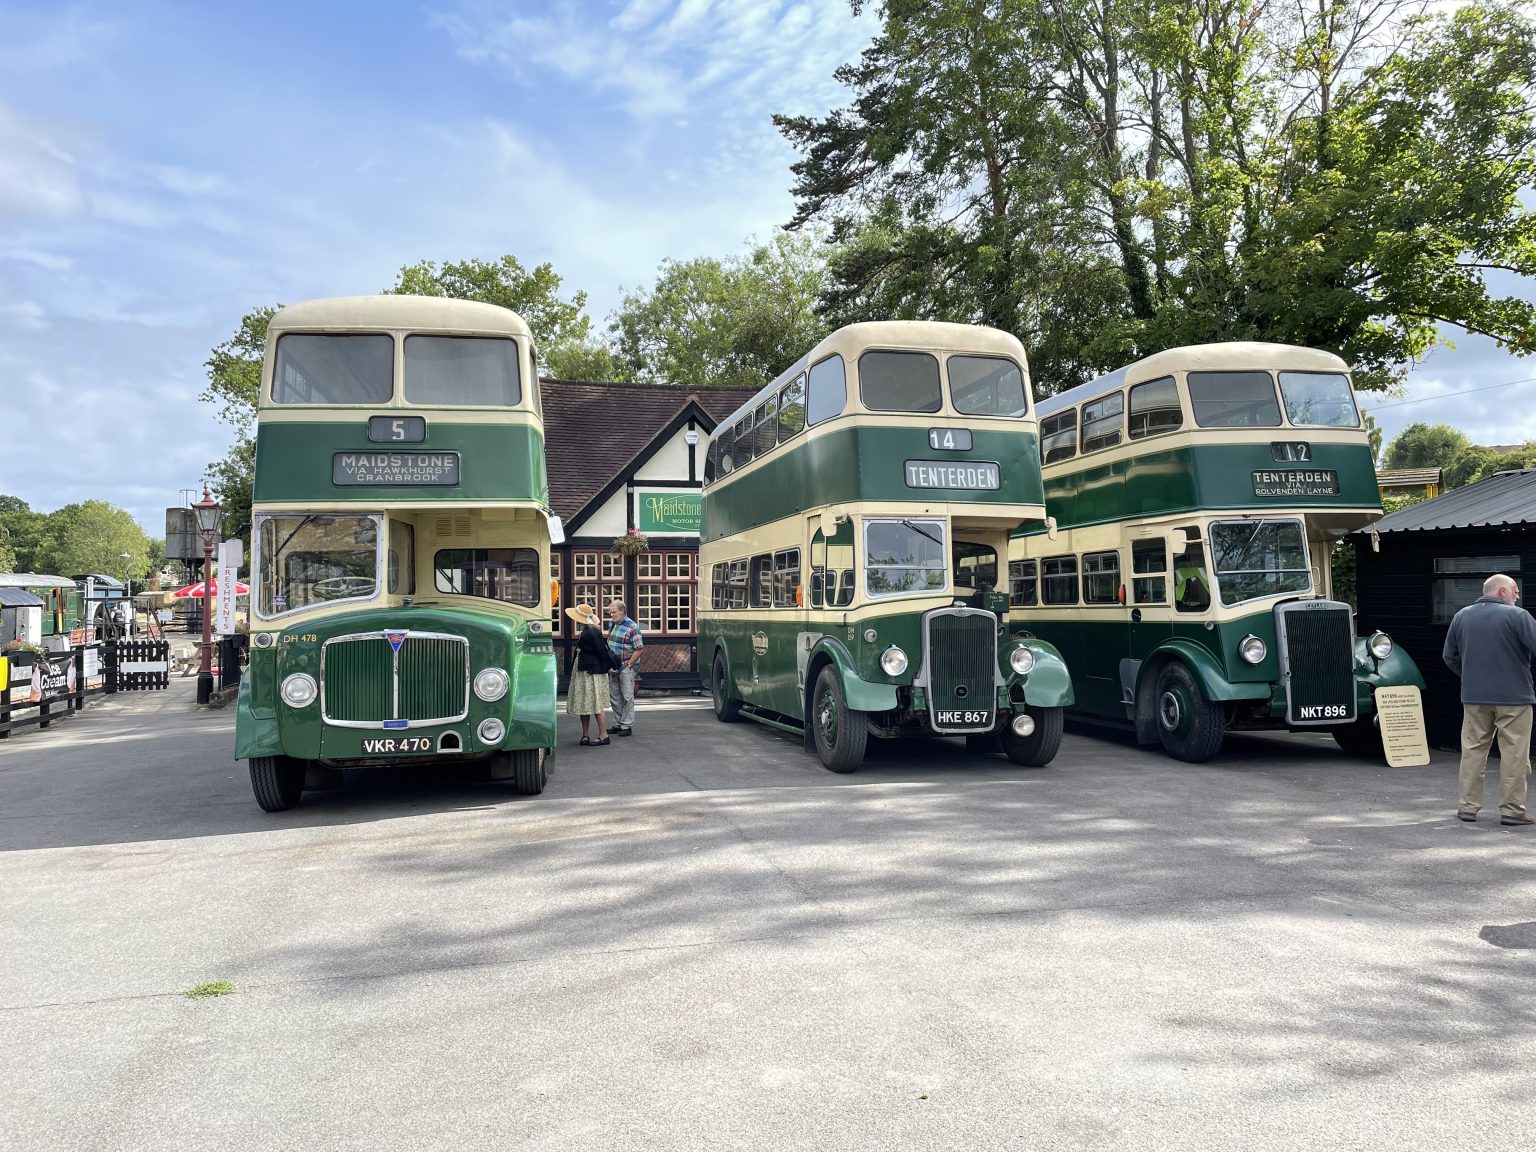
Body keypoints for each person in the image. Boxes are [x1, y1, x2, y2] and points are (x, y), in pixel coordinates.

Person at [1443, 573, 1536, 825]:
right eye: (1515, 589)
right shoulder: (1519, 616)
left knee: (1472, 751)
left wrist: (1470, 676)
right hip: (1514, 698)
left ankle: (1467, 807)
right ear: (1502, 592)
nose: (1518, 594)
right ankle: (1512, 811)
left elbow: (1449, 656)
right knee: (1514, 753)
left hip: (1473, 697)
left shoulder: (1461, 616)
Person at [565, 603, 611, 747]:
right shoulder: (588, 630)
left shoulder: (591, 631)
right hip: (584, 670)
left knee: (595, 703)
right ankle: (585, 735)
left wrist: (608, 666)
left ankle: (604, 735)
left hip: (591, 671)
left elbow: (601, 651)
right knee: (583, 703)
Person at [606, 599, 644, 736]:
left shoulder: (632, 627)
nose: (611, 614)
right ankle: (617, 723)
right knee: (614, 696)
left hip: (626, 666)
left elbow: (639, 649)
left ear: (622, 611)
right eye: (610, 612)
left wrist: (628, 665)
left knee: (627, 697)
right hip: (613, 666)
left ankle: (626, 726)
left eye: (614, 612)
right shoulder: (612, 624)